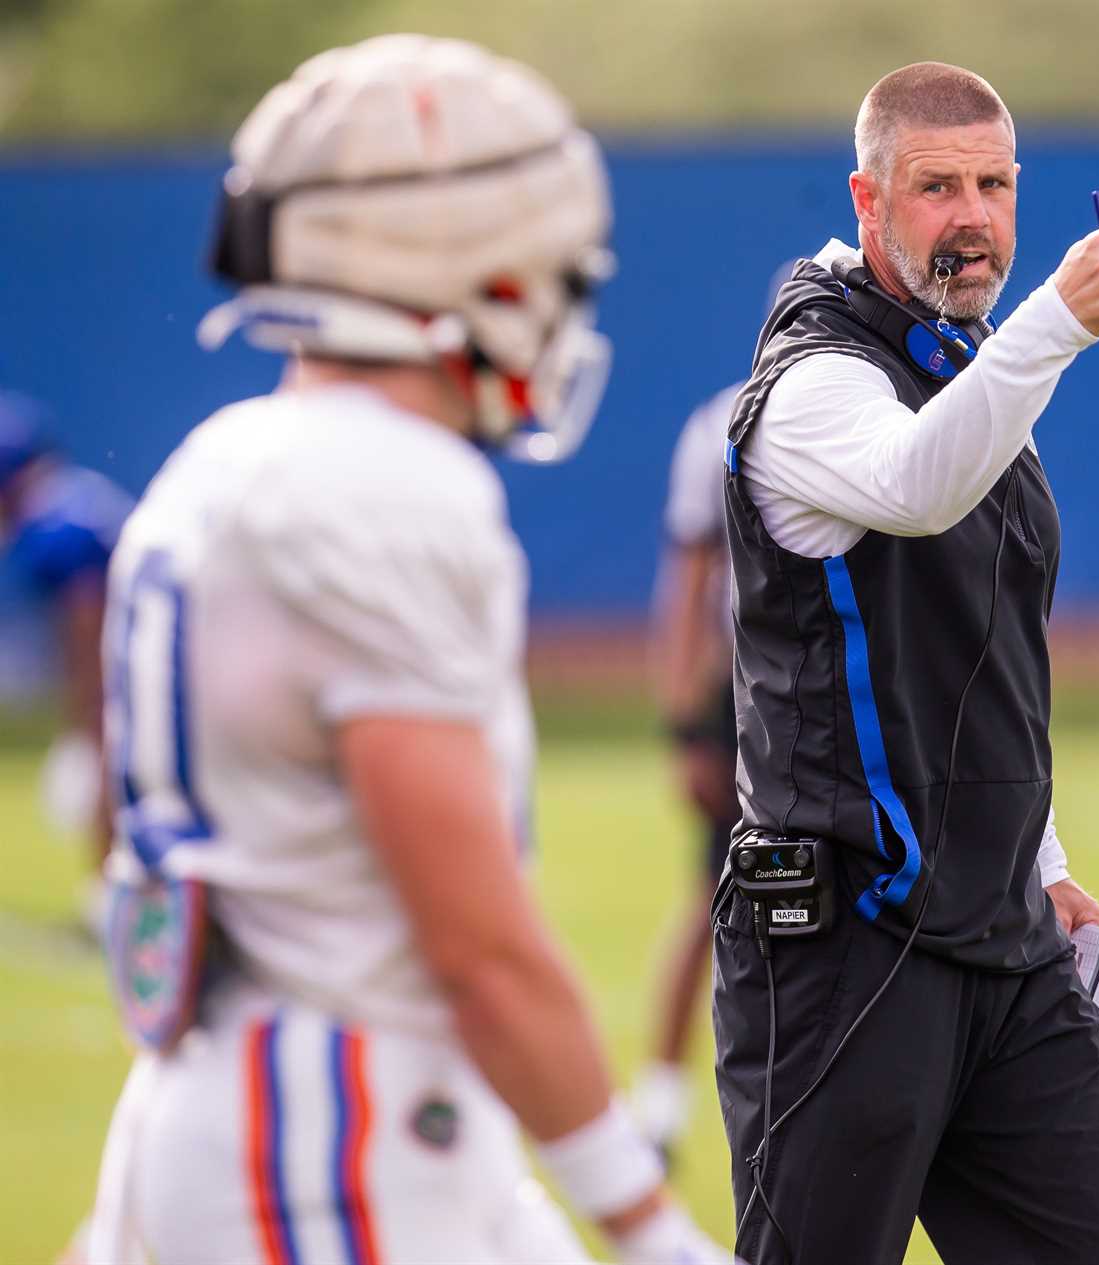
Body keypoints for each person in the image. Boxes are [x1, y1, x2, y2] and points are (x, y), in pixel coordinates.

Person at [86, 36, 737, 1265]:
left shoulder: (226, 456)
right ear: (480, 277)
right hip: (335, 1130)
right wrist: (640, 1216)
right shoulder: (386, 491)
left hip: (285, 1100)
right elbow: (474, 942)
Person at [712, 62, 1099, 1264]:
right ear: (867, 201)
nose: (971, 215)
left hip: (1001, 933)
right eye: (935, 187)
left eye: (993, 183)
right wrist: (1060, 322)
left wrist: (1039, 853)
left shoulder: (954, 358)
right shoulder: (813, 378)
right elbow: (914, 488)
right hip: (848, 941)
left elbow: (968, 649)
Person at [635, 379, 742, 1160]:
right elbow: (690, 580)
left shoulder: (899, 399)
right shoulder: (728, 422)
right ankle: (661, 1102)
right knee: (713, 899)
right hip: (754, 696)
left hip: (864, 695)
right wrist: (686, 725)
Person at [0, 393, 132, 867]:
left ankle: (113, 883)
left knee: (109, 759)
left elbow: (88, 628)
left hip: (143, 657)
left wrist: (85, 717)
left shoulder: (53, 528)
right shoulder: (73, 494)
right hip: (169, 644)